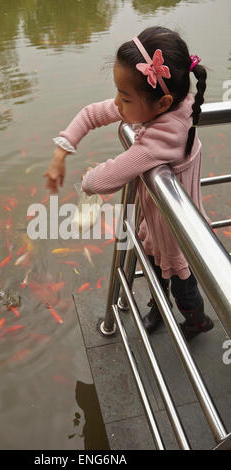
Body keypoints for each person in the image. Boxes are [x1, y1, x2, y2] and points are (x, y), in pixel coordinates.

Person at [43, 26, 214, 341]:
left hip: (178, 236)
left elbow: (102, 180)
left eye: (124, 97)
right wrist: (61, 151)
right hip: (155, 226)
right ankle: (158, 310)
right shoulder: (173, 103)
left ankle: (197, 320)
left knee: (182, 286)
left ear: (161, 103)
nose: (118, 106)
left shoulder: (163, 138)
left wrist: (85, 179)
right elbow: (92, 113)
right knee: (154, 275)